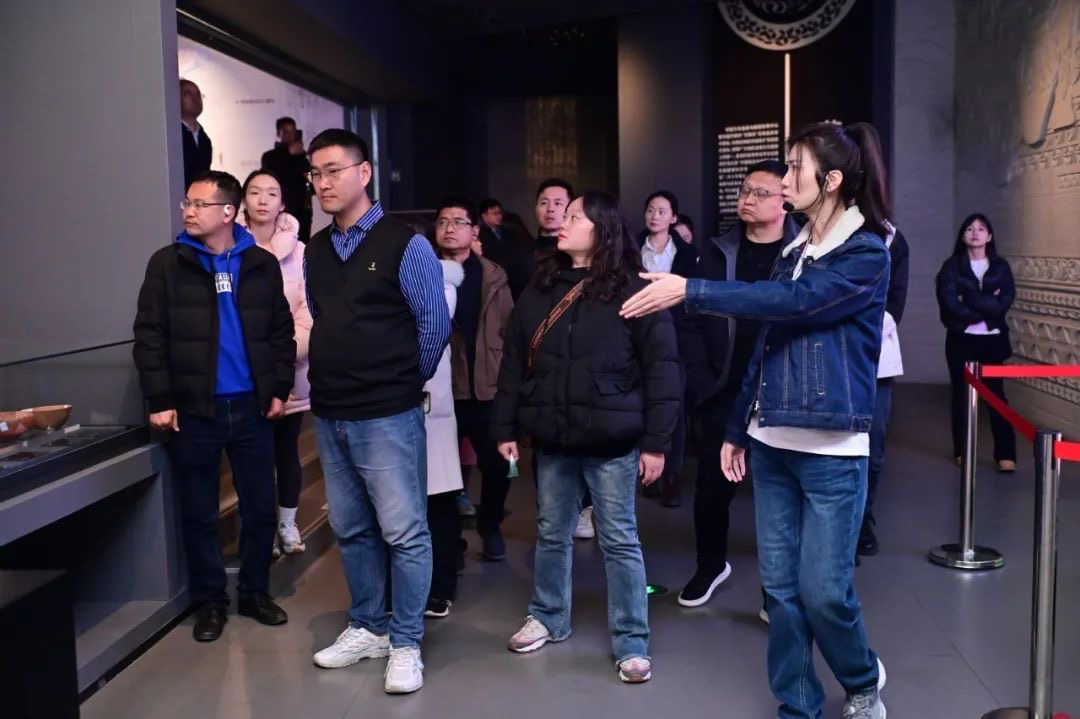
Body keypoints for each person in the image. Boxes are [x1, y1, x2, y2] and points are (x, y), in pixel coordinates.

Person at [622, 121, 893, 719]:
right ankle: (797, 704)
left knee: (825, 594)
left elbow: (796, 304)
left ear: (832, 180)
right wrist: (737, 427)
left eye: (794, 168)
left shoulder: (866, 253)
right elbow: (765, 344)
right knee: (783, 592)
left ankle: (861, 679)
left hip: (832, 449)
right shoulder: (794, 253)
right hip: (770, 441)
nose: (784, 179)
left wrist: (691, 290)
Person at [492, 191, 680, 684]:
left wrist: (656, 443)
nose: (563, 220)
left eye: (575, 216)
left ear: (602, 230)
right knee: (551, 532)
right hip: (554, 435)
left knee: (619, 539)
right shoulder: (541, 285)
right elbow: (513, 360)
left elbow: (663, 370)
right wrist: (505, 426)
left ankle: (632, 639)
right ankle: (548, 616)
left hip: (612, 439)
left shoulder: (634, 288)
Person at [303, 129, 450, 694]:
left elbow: (433, 324)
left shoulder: (404, 244)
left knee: (404, 531)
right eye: (315, 173)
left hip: (387, 411)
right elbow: (323, 317)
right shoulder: (317, 249)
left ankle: (406, 641)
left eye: (333, 170)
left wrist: (400, 383)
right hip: (330, 410)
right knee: (351, 528)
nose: (323, 183)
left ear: (364, 173)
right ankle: (368, 626)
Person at [133, 170, 295, 643]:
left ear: (227, 212)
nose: (188, 211)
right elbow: (149, 334)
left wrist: (279, 388)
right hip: (194, 409)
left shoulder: (261, 263)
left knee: (259, 508)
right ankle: (209, 602)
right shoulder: (168, 263)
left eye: (198, 204)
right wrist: (160, 398)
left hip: (252, 407)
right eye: (187, 203)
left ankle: (255, 593)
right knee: (200, 512)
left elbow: (280, 332)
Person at [677, 160, 800, 607]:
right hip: (724, 387)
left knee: (779, 494)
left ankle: (777, 592)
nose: (747, 199)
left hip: (781, 390)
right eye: (744, 190)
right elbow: (689, 318)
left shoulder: (803, 252)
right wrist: (701, 378)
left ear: (786, 201)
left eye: (760, 193)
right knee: (712, 487)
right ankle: (710, 565)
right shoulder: (715, 252)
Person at [433, 198, 515, 562]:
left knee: (499, 466)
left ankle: (491, 525)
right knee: (443, 474)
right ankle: (450, 540)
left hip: (487, 387)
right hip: (443, 389)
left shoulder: (494, 275)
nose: (449, 228)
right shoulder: (426, 273)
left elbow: (509, 328)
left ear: (475, 231)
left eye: (458, 222)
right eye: (442, 222)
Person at [239, 169, 313, 555]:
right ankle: (261, 528)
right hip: (244, 368)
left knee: (286, 451)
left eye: (272, 193)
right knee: (253, 457)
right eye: (255, 192)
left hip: (291, 367)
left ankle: (287, 523)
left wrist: (284, 351)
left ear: (283, 202)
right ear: (243, 201)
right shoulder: (231, 247)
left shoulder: (301, 252)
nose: (263, 200)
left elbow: (308, 310)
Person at [935, 213, 1017, 473]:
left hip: (993, 341)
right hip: (961, 339)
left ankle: (1006, 455)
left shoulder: (1000, 267)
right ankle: (962, 450)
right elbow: (949, 303)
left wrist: (969, 298)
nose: (975, 233)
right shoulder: (951, 267)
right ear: (963, 235)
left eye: (981, 229)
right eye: (970, 228)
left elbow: (1004, 302)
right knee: (961, 396)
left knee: (997, 397)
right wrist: (986, 303)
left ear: (989, 236)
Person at [638, 190, 699, 507]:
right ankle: (646, 475)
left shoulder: (687, 253)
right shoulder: (631, 247)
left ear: (673, 217)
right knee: (640, 407)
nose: (655, 216)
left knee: (672, 408)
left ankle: (671, 476)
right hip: (636, 334)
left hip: (675, 339)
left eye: (662, 211)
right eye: (650, 210)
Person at [859, 219, 910, 557]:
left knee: (873, 447)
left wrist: (857, 331)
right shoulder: (816, 228)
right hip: (830, 359)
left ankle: (864, 518)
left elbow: (895, 304)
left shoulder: (893, 239)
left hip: (875, 359)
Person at [424, 257, 466, 618]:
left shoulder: (443, 284)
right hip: (388, 408)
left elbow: (429, 326)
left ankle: (441, 587)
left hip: (431, 408)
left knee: (438, 502)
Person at [261, 117, 313, 243]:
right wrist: (291, 156)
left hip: (302, 211)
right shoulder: (270, 157)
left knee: (302, 245)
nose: (290, 135)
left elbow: (311, 181)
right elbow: (276, 179)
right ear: (278, 133)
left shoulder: (302, 158)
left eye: (292, 132)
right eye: (286, 131)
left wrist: (300, 157)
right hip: (281, 211)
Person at [478, 197, 532, 300]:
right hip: (496, 281)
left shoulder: (510, 231)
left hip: (515, 279)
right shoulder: (479, 236)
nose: (499, 216)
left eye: (500, 213)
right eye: (494, 213)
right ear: (484, 215)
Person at [180, 80, 212, 189]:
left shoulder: (204, 138)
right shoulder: (171, 137)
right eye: (187, 94)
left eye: (198, 94)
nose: (195, 99)